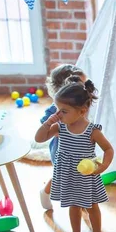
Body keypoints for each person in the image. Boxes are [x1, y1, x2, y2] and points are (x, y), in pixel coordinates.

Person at [35, 76, 114, 232]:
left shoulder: (92, 131)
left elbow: (108, 149)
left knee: (92, 206)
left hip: (86, 175)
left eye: (63, 111)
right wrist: (48, 123)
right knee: (74, 205)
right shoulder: (59, 127)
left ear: (82, 111)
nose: (58, 114)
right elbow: (39, 138)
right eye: (57, 109)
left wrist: (103, 166)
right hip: (68, 174)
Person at [39, 64, 87, 210]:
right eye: (81, 86)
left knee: (82, 175)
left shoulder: (83, 105)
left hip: (81, 148)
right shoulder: (57, 109)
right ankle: (45, 192)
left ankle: (82, 200)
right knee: (62, 177)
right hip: (63, 150)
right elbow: (44, 123)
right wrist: (57, 128)